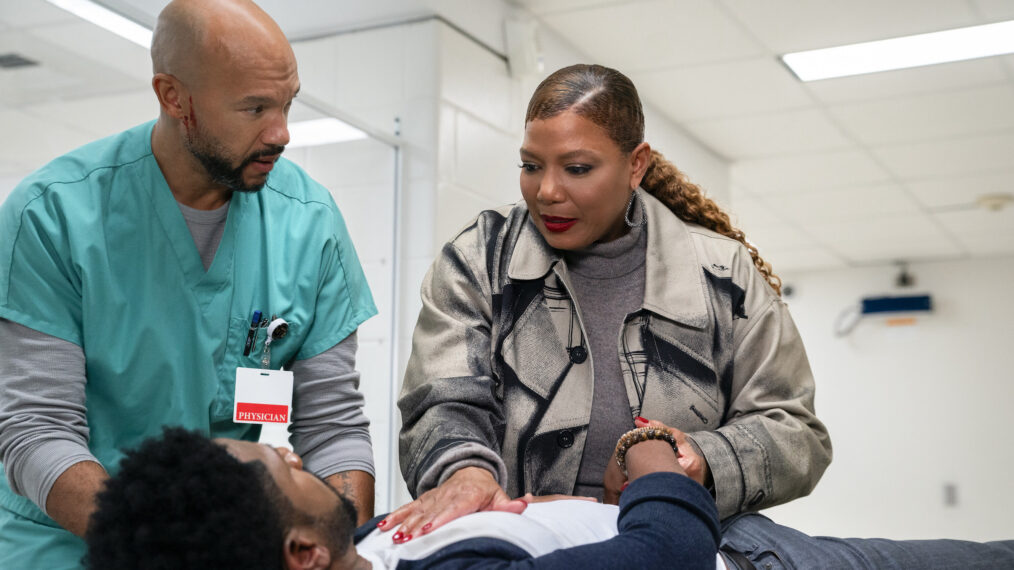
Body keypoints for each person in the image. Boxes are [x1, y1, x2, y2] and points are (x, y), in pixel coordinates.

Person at [0, 1, 377, 566]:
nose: (282, 133)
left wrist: (341, 548)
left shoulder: (309, 222)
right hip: (64, 544)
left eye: (287, 103)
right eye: (254, 108)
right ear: (174, 97)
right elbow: (37, 429)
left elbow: (333, 426)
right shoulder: (53, 215)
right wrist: (172, 548)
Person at [393, 63, 831, 539]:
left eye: (577, 169)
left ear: (636, 165)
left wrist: (698, 459)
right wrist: (465, 474)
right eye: (531, 166)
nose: (547, 191)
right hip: (521, 540)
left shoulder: (723, 275)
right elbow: (440, 401)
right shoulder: (480, 258)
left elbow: (795, 432)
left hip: (670, 544)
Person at [86, 429, 1014, 570]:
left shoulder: (354, 549)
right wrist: (653, 460)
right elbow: (661, 560)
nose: (297, 453)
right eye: (284, 471)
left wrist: (474, 487)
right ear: (300, 553)